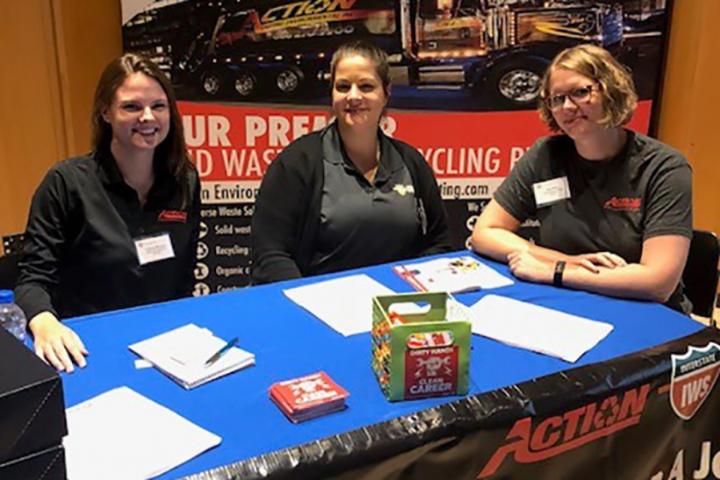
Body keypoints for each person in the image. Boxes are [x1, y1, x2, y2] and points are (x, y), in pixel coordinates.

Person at [471, 44, 692, 313]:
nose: (566, 107)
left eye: (580, 92)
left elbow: (658, 283)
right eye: (556, 98)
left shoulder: (663, 167)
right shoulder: (545, 155)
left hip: (647, 313)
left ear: (611, 89)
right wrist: (566, 262)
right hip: (571, 303)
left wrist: (557, 271)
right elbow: (486, 232)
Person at [15, 53, 201, 372]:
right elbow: (32, 280)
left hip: (168, 348)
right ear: (105, 112)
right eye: (131, 106)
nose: (148, 117)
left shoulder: (185, 179)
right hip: (87, 347)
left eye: (158, 106)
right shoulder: (66, 183)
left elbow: (183, 274)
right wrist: (44, 323)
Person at [251, 40, 451, 284]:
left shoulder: (411, 162)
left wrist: (410, 287)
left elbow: (440, 242)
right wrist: (305, 301)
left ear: (386, 93)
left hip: (399, 308)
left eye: (366, 86)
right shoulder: (297, 162)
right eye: (343, 87)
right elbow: (270, 253)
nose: (353, 97)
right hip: (319, 308)